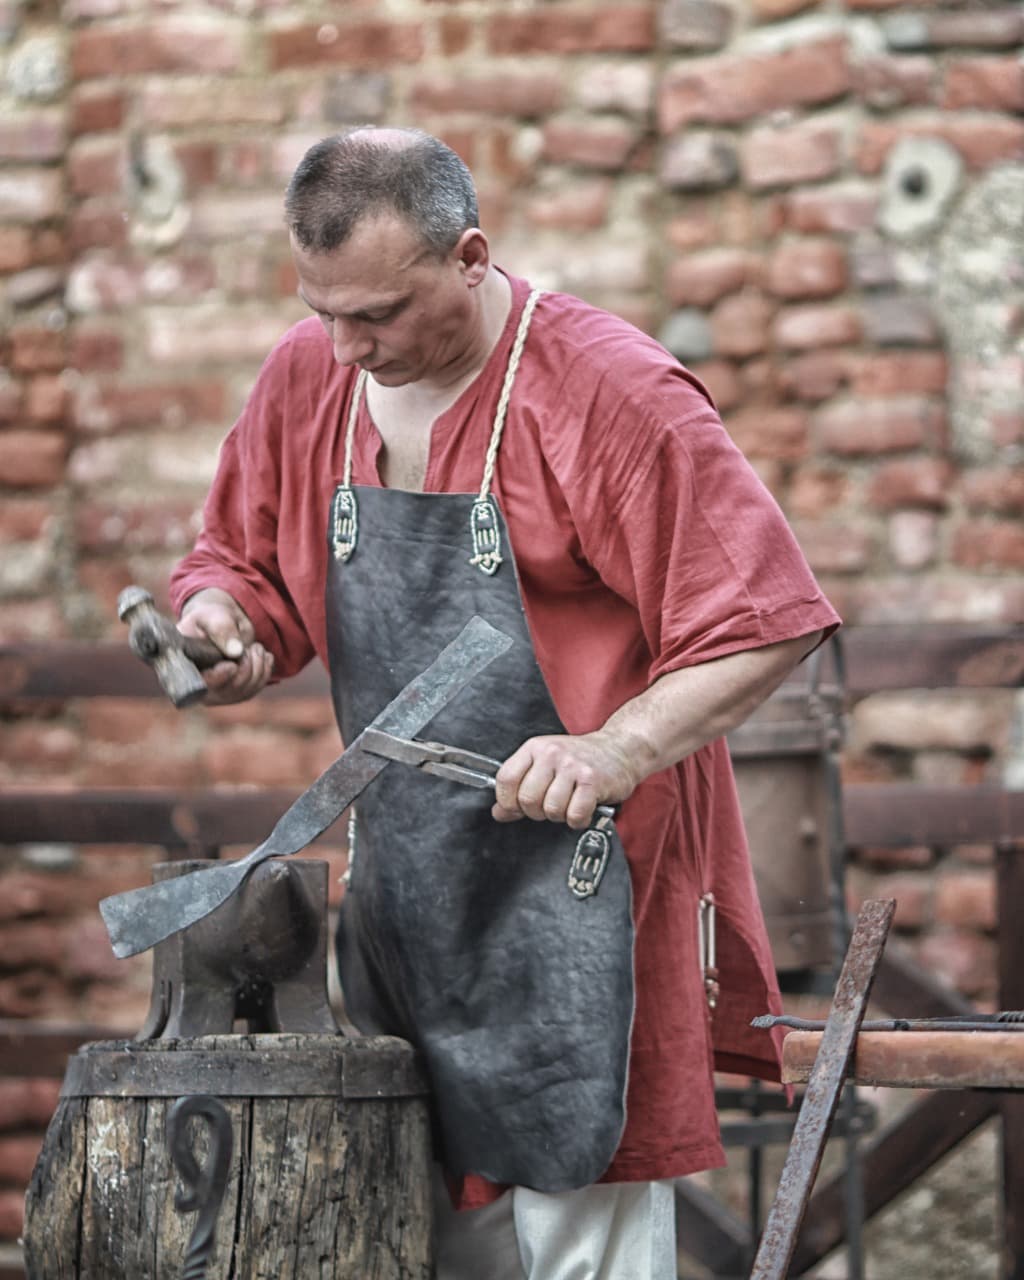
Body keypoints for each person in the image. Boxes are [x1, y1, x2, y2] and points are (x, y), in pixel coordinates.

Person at [170, 126, 840, 1279]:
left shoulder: (609, 391)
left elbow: (765, 619)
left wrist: (616, 745)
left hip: (585, 893)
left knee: (580, 1226)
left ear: (471, 256)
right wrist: (224, 627)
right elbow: (246, 569)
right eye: (320, 309)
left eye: (376, 313)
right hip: (408, 893)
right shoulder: (308, 376)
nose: (343, 348)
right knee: (430, 1229)